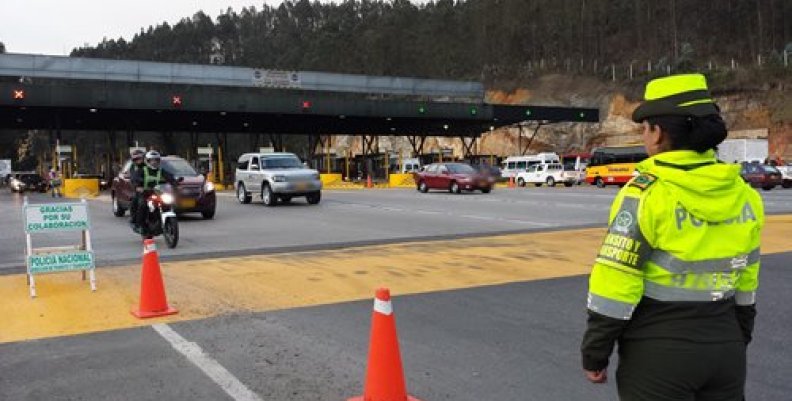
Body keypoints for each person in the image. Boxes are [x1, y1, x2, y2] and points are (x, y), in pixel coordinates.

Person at [580, 73, 762, 401]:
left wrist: (595, 353)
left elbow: (615, 283)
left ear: (658, 132)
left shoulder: (646, 194)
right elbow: (747, 280)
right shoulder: (744, 195)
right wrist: (736, 338)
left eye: (644, 128)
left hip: (659, 353)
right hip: (726, 348)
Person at [132, 151, 176, 235]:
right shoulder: (142, 170)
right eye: (151, 160)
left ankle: (163, 223)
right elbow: (135, 179)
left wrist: (175, 182)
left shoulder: (161, 171)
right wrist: (138, 186)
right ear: (147, 161)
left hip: (158, 193)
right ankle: (140, 225)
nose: (154, 162)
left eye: (156, 160)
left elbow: (170, 177)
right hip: (145, 194)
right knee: (142, 205)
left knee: (167, 203)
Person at [128, 149, 146, 231]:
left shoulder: (149, 164)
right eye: (136, 159)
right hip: (140, 189)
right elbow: (133, 177)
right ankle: (137, 222)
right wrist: (137, 185)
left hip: (153, 188)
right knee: (139, 203)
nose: (138, 160)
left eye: (140, 158)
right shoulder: (133, 167)